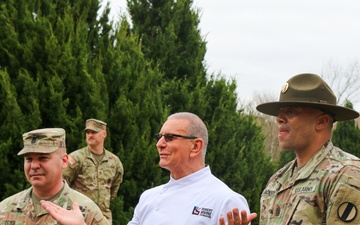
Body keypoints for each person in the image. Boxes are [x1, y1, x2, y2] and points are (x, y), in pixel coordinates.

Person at [220, 73, 360, 225]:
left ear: (321, 121)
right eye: (280, 113)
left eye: (291, 112)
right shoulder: (278, 180)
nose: (279, 119)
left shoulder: (346, 174)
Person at [128, 112, 251, 225]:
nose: (159, 144)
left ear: (196, 146)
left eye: (170, 137)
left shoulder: (226, 201)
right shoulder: (148, 197)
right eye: (159, 137)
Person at [0, 128, 109, 225]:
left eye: (43, 158)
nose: (34, 166)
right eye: (29, 159)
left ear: (64, 161)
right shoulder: (5, 208)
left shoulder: (87, 211)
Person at [63, 118, 124, 224]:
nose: (90, 135)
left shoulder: (114, 162)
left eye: (94, 132)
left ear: (104, 134)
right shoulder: (76, 158)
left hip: (103, 218)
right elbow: (63, 184)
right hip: (79, 218)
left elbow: (114, 189)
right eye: (88, 132)